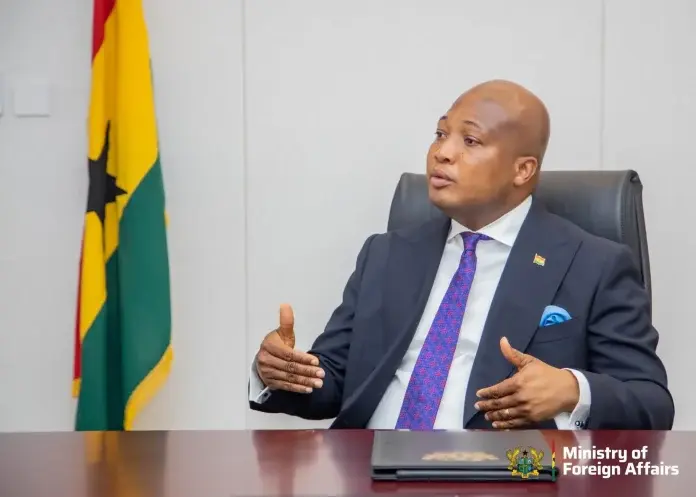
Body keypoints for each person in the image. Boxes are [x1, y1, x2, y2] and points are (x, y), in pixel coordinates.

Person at [248, 80, 674, 430]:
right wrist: (279, 371)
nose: (442, 152)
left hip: (499, 476)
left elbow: (651, 403)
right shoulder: (386, 254)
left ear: (522, 170)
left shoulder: (595, 264)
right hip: (368, 470)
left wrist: (571, 389)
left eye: (470, 140)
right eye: (440, 134)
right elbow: (335, 380)